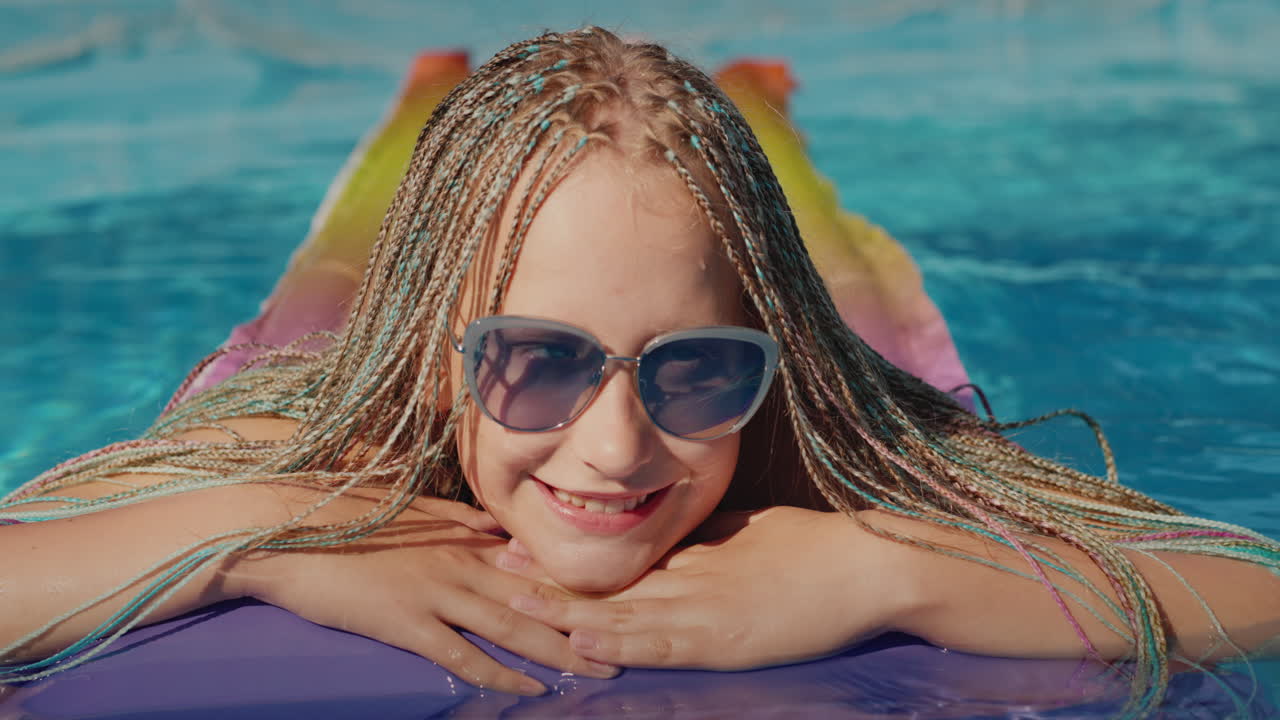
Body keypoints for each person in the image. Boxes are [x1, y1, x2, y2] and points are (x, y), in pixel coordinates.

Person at [1, 27, 1276, 717]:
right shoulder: (321, 454)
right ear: (431, 352)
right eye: (536, 361)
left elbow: (1253, 586)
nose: (615, 447)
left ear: (768, 356)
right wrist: (253, 535)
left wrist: (888, 571)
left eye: (695, 369)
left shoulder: (818, 452)